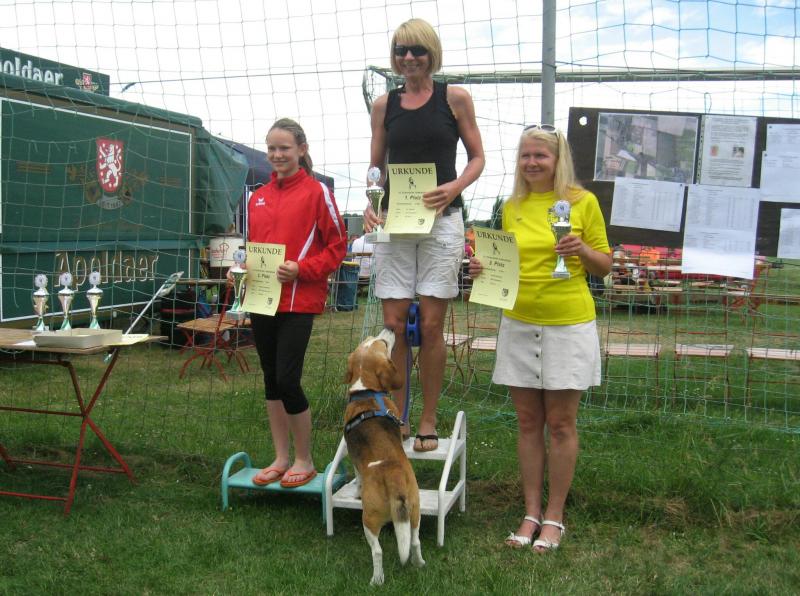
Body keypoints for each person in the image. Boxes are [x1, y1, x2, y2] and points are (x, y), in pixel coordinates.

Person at [469, 124, 611, 551]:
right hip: (518, 322)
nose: (531, 163)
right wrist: (483, 269)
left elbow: (604, 264)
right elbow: (505, 260)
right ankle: (530, 512)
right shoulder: (512, 206)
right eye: (525, 155)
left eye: (540, 156)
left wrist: (581, 251)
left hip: (568, 324)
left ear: (557, 159)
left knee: (561, 424)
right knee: (528, 422)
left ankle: (555, 516)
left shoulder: (582, 202)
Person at [363, 18, 485, 452]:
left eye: (417, 50)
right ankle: (397, 416)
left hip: (442, 220)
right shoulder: (384, 105)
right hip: (397, 223)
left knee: (431, 326)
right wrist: (371, 203)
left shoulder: (455, 99)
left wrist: (453, 187)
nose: (409, 57)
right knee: (394, 325)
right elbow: (376, 167)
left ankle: (428, 420)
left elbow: (477, 157)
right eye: (401, 51)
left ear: (432, 53)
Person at [244, 118, 347, 488]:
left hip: (298, 301)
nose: (277, 155)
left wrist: (303, 269)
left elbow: (338, 247)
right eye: (271, 148)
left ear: (301, 150)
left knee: (288, 379)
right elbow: (256, 249)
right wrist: (242, 272)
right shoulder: (257, 197)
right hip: (262, 299)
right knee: (271, 379)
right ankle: (281, 458)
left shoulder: (318, 192)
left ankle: (305, 459)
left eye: (284, 148)